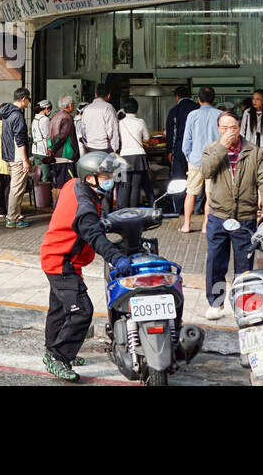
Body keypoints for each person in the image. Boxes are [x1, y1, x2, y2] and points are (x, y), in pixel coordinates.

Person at [38, 152, 134, 381]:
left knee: (60, 309)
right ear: (91, 178)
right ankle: (59, 356)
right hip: (61, 262)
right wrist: (115, 257)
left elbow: (89, 225)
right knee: (81, 310)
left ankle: (53, 349)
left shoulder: (75, 184)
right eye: (106, 175)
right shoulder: (84, 205)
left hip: (61, 256)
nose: (111, 178)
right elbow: (94, 236)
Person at [199, 112, 263, 319]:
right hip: (218, 215)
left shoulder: (254, 151)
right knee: (215, 262)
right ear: (218, 129)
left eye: (232, 127)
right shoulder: (210, 149)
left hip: (244, 217)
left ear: (239, 128)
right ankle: (216, 303)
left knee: (245, 265)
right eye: (224, 128)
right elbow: (206, 172)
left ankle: (243, 304)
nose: (229, 132)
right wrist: (221, 147)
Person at [180, 86, 222, 233]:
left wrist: (188, 158)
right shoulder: (220, 115)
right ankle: (205, 225)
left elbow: (186, 141)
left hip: (195, 159)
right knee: (210, 194)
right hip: (214, 160)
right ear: (214, 99)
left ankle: (186, 225)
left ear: (198, 99)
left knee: (190, 192)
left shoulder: (192, 115)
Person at [0, 87, 32, 229]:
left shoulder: (7, 114)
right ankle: (13, 218)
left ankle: (14, 215)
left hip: (9, 155)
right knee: (17, 189)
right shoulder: (17, 115)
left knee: (14, 187)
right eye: (28, 99)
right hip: (18, 157)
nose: (29, 102)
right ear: (23, 98)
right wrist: (25, 160)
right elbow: (19, 139)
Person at [116, 98, 154, 208]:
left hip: (124, 156)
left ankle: (123, 210)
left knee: (125, 185)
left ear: (124, 109)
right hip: (138, 155)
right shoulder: (141, 122)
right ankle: (134, 210)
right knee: (136, 185)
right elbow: (147, 138)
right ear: (137, 109)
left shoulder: (120, 123)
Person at [163, 85, 195, 215]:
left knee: (179, 178)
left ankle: (179, 208)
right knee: (196, 179)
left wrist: (169, 151)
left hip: (179, 148)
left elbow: (171, 133)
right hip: (195, 149)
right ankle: (196, 208)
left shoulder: (174, 110)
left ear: (177, 97)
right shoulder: (196, 108)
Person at [47, 95, 80, 188]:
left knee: (57, 184)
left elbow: (49, 135)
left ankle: (56, 203)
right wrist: (53, 148)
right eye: (72, 104)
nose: (73, 106)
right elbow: (62, 136)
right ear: (69, 105)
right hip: (65, 156)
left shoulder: (54, 116)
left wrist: (50, 149)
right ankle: (62, 202)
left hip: (56, 156)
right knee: (66, 185)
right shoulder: (67, 117)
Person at [82, 84, 119, 154]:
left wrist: (87, 144)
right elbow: (113, 129)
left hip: (90, 147)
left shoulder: (87, 108)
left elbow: (83, 130)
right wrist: (115, 148)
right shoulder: (108, 108)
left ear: (95, 95)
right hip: (104, 148)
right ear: (109, 96)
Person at [31, 99, 53, 185]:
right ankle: (44, 195)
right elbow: (48, 136)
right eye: (49, 109)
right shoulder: (45, 119)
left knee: (37, 174)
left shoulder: (35, 118)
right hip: (43, 150)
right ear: (46, 108)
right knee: (45, 175)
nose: (49, 111)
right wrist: (50, 148)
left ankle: (36, 194)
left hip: (35, 149)